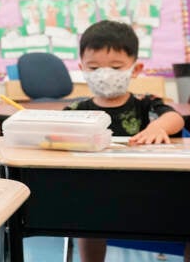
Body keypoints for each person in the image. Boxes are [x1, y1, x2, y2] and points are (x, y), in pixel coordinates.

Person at [64, 20, 184, 262]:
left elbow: (175, 118)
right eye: (94, 67)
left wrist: (158, 127)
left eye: (116, 67)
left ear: (136, 68)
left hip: (147, 190)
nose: (105, 75)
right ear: (82, 68)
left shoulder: (146, 105)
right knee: (88, 220)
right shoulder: (76, 110)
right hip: (97, 191)